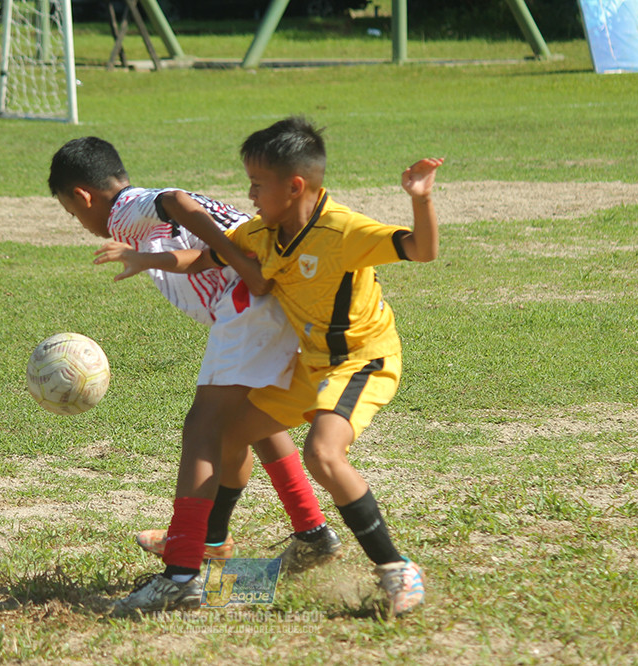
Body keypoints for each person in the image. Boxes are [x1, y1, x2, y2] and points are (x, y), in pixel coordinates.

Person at [96, 116, 443, 616]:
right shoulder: (264, 232)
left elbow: (422, 250)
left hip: (361, 361)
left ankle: (396, 569)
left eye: (257, 184)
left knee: (324, 455)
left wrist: (420, 197)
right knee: (230, 435)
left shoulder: (343, 230)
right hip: (312, 366)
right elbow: (206, 258)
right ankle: (220, 551)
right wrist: (145, 258)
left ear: (294, 185)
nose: (250, 194)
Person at [47, 137, 343, 617]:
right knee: (255, 424)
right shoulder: (135, 217)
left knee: (202, 428)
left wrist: (241, 262)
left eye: (71, 212)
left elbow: (177, 201)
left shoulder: (125, 209)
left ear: (83, 196)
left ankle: (182, 574)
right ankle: (309, 534)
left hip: (247, 305)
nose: (79, 223)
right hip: (268, 305)